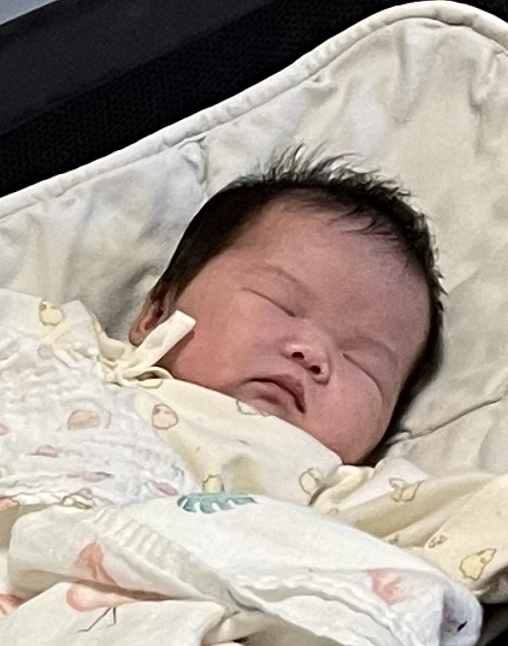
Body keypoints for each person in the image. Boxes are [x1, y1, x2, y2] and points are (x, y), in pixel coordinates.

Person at [130, 154, 442, 466]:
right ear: (157, 314)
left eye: (363, 364)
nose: (313, 353)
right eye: (280, 305)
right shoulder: (102, 376)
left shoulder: (362, 490)